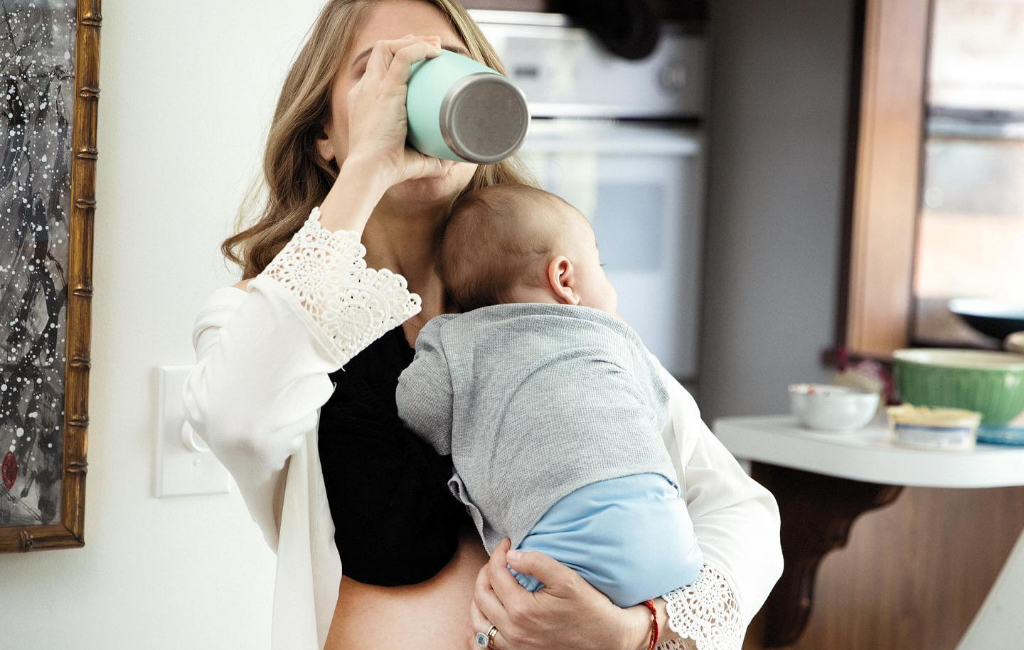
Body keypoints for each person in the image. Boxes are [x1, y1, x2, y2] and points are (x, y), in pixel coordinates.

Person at [181, 1, 783, 649]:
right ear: (323, 135)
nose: (411, 88)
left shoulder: (549, 314)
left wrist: (639, 632)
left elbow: (738, 509)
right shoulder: (275, 319)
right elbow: (237, 421)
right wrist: (368, 167)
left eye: (438, 65)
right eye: (376, 72)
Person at [395, 183, 705, 608]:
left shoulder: (455, 340)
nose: (610, 285)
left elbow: (417, 412)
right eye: (601, 266)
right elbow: (654, 409)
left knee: (507, 620)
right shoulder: (614, 332)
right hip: (676, 546)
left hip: (555, 561)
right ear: (564, 279)